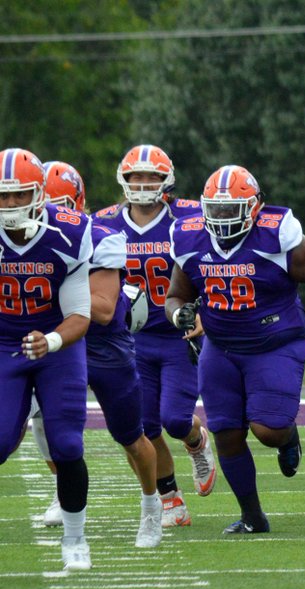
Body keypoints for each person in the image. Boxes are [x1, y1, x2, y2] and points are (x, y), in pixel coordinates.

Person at [165, 165, 305, 534]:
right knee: (227, 433)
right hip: (221, 345)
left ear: (254, 207)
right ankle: (252, 516)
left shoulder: (276, 234)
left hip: (274, 342)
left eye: (231, 209)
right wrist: (178, 316)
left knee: (268, 429)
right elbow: (176, 296)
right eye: (215, 210)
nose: (221, 218)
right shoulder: (190, 239)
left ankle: (288, 436)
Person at [33, 162, 164, 546]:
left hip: (103, 345)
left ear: (76, 203)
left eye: (57, 204)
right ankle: (63, 487)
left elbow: (104, 309)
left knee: (130, 435)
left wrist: (40, 295)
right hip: (58, 342)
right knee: (42, 419)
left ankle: (151, 505)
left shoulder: (102, 234)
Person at [94, 145, 216, 529]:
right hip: (131, 339)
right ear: (124, 180)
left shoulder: (192, 217)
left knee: (176, 420)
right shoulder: (104, 223)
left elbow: (218, 266)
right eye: (136, 177)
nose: (143, 184)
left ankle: (196, 441)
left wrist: (206, 315)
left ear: (167, 181)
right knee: (143, 428)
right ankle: (170, 498)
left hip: (178, 334)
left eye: (151, 177)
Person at [0, 148, 95, 569]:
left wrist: (52, 341)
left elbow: (81, 314)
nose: (10, 205)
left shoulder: (70, 233)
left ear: (40, 194)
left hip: (57, 343)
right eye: (3, 197)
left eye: (19, 195)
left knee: (67, 443)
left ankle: (75, 539)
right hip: (3, 344)